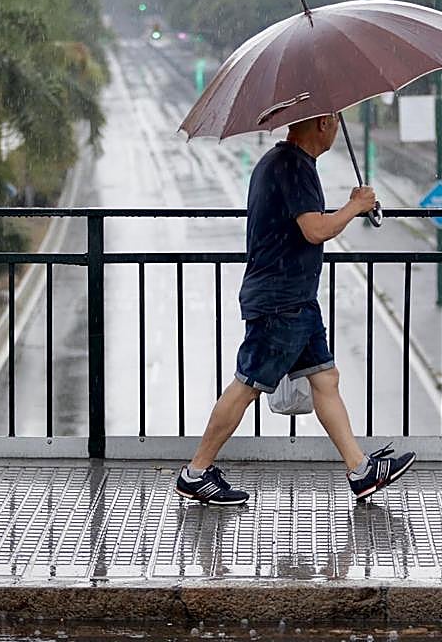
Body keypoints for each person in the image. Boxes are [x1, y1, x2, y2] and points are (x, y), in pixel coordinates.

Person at [176, 113, 415, 506]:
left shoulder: (282, 162)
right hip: (280, 301)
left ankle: (360, 472)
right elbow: (315, 230)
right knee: (248, 383)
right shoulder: (293, 166)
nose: (338, 127)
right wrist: (355, 206)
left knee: (325, 379)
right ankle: (196, 473)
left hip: (295, 299)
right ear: (322, 124)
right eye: (336, 120)